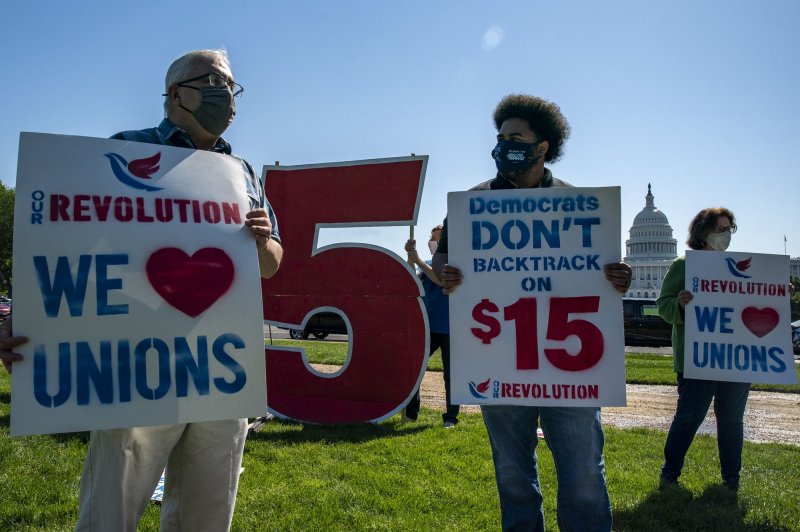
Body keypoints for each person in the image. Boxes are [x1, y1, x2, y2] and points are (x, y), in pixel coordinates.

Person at [0, 49, 283, 531]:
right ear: (176, 93)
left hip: (219, 362)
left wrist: (261, 240)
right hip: (136, 360)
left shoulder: (242, 173)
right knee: (113, 504)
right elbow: (65, 244)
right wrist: (22, 315)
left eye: (232, 87)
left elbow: (272, 265)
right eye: (215, 82)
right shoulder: (125, 151)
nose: (227, 98)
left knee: (208, 511)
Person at [432, 94, 631, 531]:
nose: (504, 145)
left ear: (543, 146)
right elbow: (440, 262)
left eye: (515, 137)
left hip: (569, 366)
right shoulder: (472, 203)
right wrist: (445, 274)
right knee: (513, 477)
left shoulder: (579, 205)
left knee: (582, 476)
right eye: (500, 137)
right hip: (499, 358)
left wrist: (617, 277)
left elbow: (597, 274)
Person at [657, 207, 749, 492]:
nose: (725, 236)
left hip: (735, 357)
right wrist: (681, 306)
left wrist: (779, 294)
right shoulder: (683, 265)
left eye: (728, 230)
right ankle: (670, 474)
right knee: (689, 417)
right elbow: (664, 306)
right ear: (703, 232)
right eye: (720, 230)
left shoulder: (739, 266)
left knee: (732, 420)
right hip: (697, 357)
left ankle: (731, 480)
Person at [402, 224, 460, 428]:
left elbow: (441, 279)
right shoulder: (426, 263)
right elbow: (411, 280)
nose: (432, 243)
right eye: (431, 239)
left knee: (451, 375)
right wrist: (411, 257)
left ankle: (451, 418)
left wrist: (417, 260)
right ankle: (410, 413)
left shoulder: (454, 266)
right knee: (413, 368)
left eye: (438, 240)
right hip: (428, 327)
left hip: (452, 328)